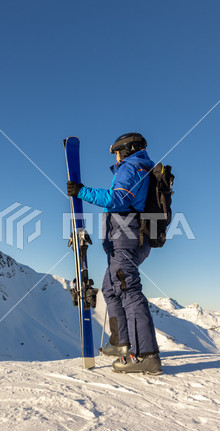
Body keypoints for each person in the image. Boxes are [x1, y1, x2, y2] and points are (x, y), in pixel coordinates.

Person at [67, 133, 162, 375]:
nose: (116, 156)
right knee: (111, 289)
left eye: (116, 152)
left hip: (125, 236)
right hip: (128, 237)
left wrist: (81, 192)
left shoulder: (132, 167)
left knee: (128, 290)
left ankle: (146, 356)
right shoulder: (140, 167)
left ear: (127, 149)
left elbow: (118, 199)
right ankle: (121, 343)